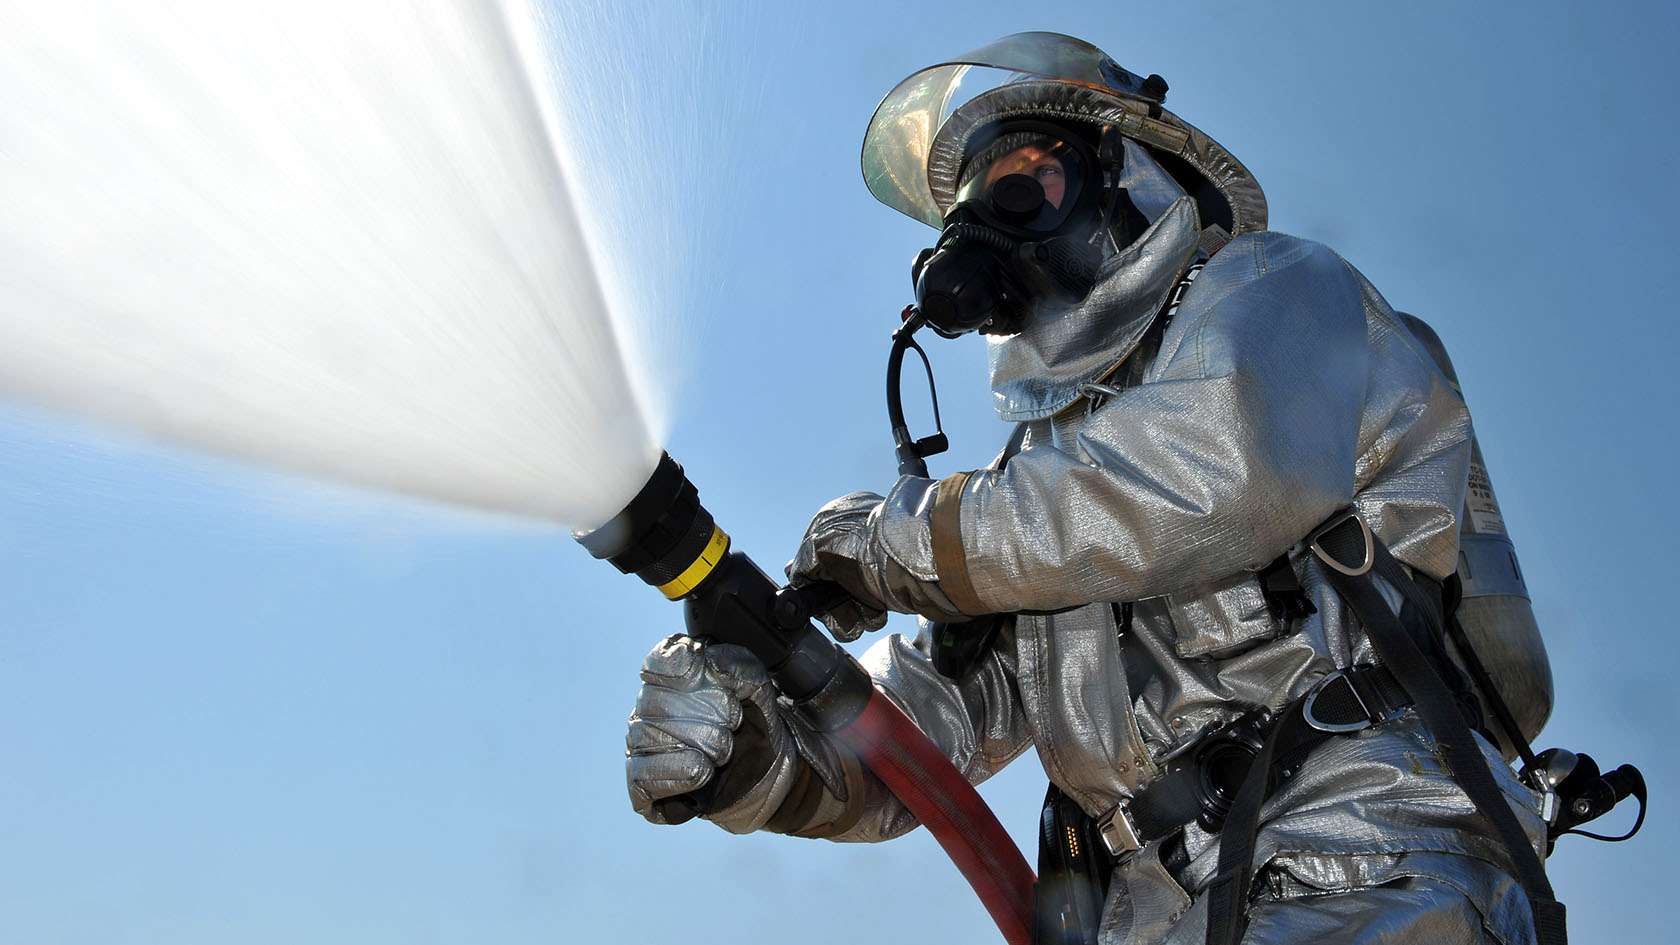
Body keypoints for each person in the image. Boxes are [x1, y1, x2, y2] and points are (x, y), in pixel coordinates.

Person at [624, 32, 1550, 945]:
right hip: (1160, 911)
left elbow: (1198, 478)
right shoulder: (1030, 501)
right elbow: (920, 738)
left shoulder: (1280, 291)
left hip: (1369, 853)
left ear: (1128, 174)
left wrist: (889, 547)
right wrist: (751, 748)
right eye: (975, 196)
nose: (987, 216)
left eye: (1025, 177)